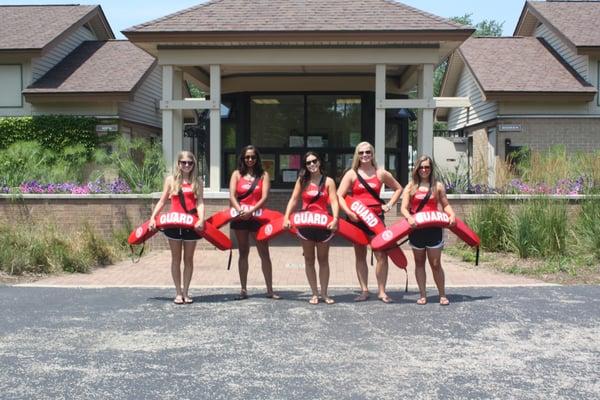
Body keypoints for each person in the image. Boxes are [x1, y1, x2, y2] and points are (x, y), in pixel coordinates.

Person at [337, 142, 403, 303]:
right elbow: (339, 195)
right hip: (357, 219)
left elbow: (398, 188)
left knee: (381, 254)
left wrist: (389, 205)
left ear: (372, 154)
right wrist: (349, 213)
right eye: (361, 153)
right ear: (357, 155)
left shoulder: (381, 173)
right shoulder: (351, 174)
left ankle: (381, 291)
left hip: (375, 219)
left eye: (367, 152)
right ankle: (364, 290)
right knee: (360, 255)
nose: (364, 155)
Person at [283, 152, 339, 305]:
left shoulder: (329, 182)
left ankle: (324, 293)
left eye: (314, 161)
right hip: (305, 224)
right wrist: (286, 217)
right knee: (309, 259)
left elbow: (334, 201)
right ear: (305, 166)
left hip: (323, 225)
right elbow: (294, 200)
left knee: (323, 259)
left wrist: (335, 219)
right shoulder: (302, 181)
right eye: (308, 163)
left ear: (319, 162)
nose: (312, 165)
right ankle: (314, 293)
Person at [149, 151, 204, 305]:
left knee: (188, 259)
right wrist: (153, 217)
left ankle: (186, 292)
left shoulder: (197, 182)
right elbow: (161, 201)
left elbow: (200, 202)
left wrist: (201, 219)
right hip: (173, 224)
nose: (187, 165)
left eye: (190, 163)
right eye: (184, 162)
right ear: (178, 164)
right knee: (176, 259)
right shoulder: (170, 180)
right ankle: (178, 293)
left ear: (193, 165)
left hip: (191, 225)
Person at [400, 155, 456, 306]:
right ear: (417, 169)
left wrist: (451, 214)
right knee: (419, 263)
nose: (424, 170)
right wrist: (409, 218)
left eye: (427, 167)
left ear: (431, 169)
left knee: (436, 263)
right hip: (416, 230)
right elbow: (403, 209)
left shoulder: (437, 186)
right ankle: (423, 295)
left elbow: (445, 205)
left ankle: (442, 294)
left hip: (434, 229)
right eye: (421, 167)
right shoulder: (410, 187)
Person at [229, 145, 280, 300]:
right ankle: (243, 290)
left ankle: (270, 290)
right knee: (243, 252)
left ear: (257, 158)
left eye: (253, 157)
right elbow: (232, 195)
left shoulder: (263, 175)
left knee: (264, 253)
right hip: (240, 218)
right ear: (243, 159)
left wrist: (251, 211)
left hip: (258, 217)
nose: (250, 160)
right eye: (247, 157)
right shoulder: (236, 174)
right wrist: (240, 210)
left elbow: (264, 197)